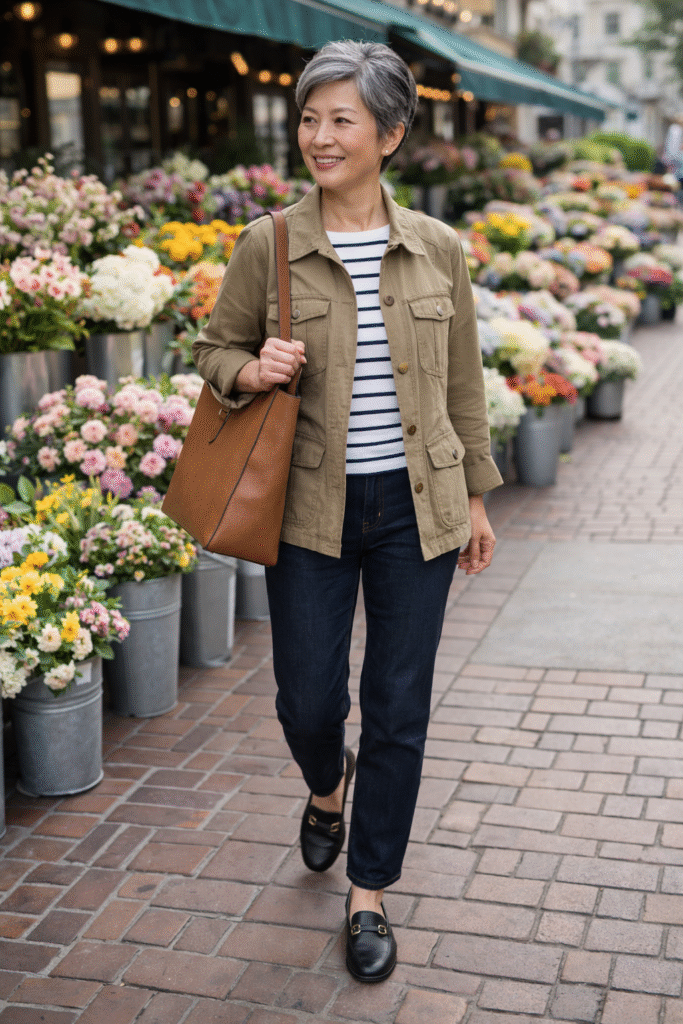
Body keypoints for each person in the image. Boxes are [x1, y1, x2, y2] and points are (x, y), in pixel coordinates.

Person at [193, 40, 502, 983]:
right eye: (309, 118)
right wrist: (249, 370)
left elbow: (461, 385)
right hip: (307, 511)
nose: (318, 137)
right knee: (307, 698)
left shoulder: (437, 247)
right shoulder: (270, 242)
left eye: (340, 120)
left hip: (418, 510)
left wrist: (479, 501)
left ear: (390, 134)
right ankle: (326, 787)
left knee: (399, 706)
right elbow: (213, 351)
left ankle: (369, 894)